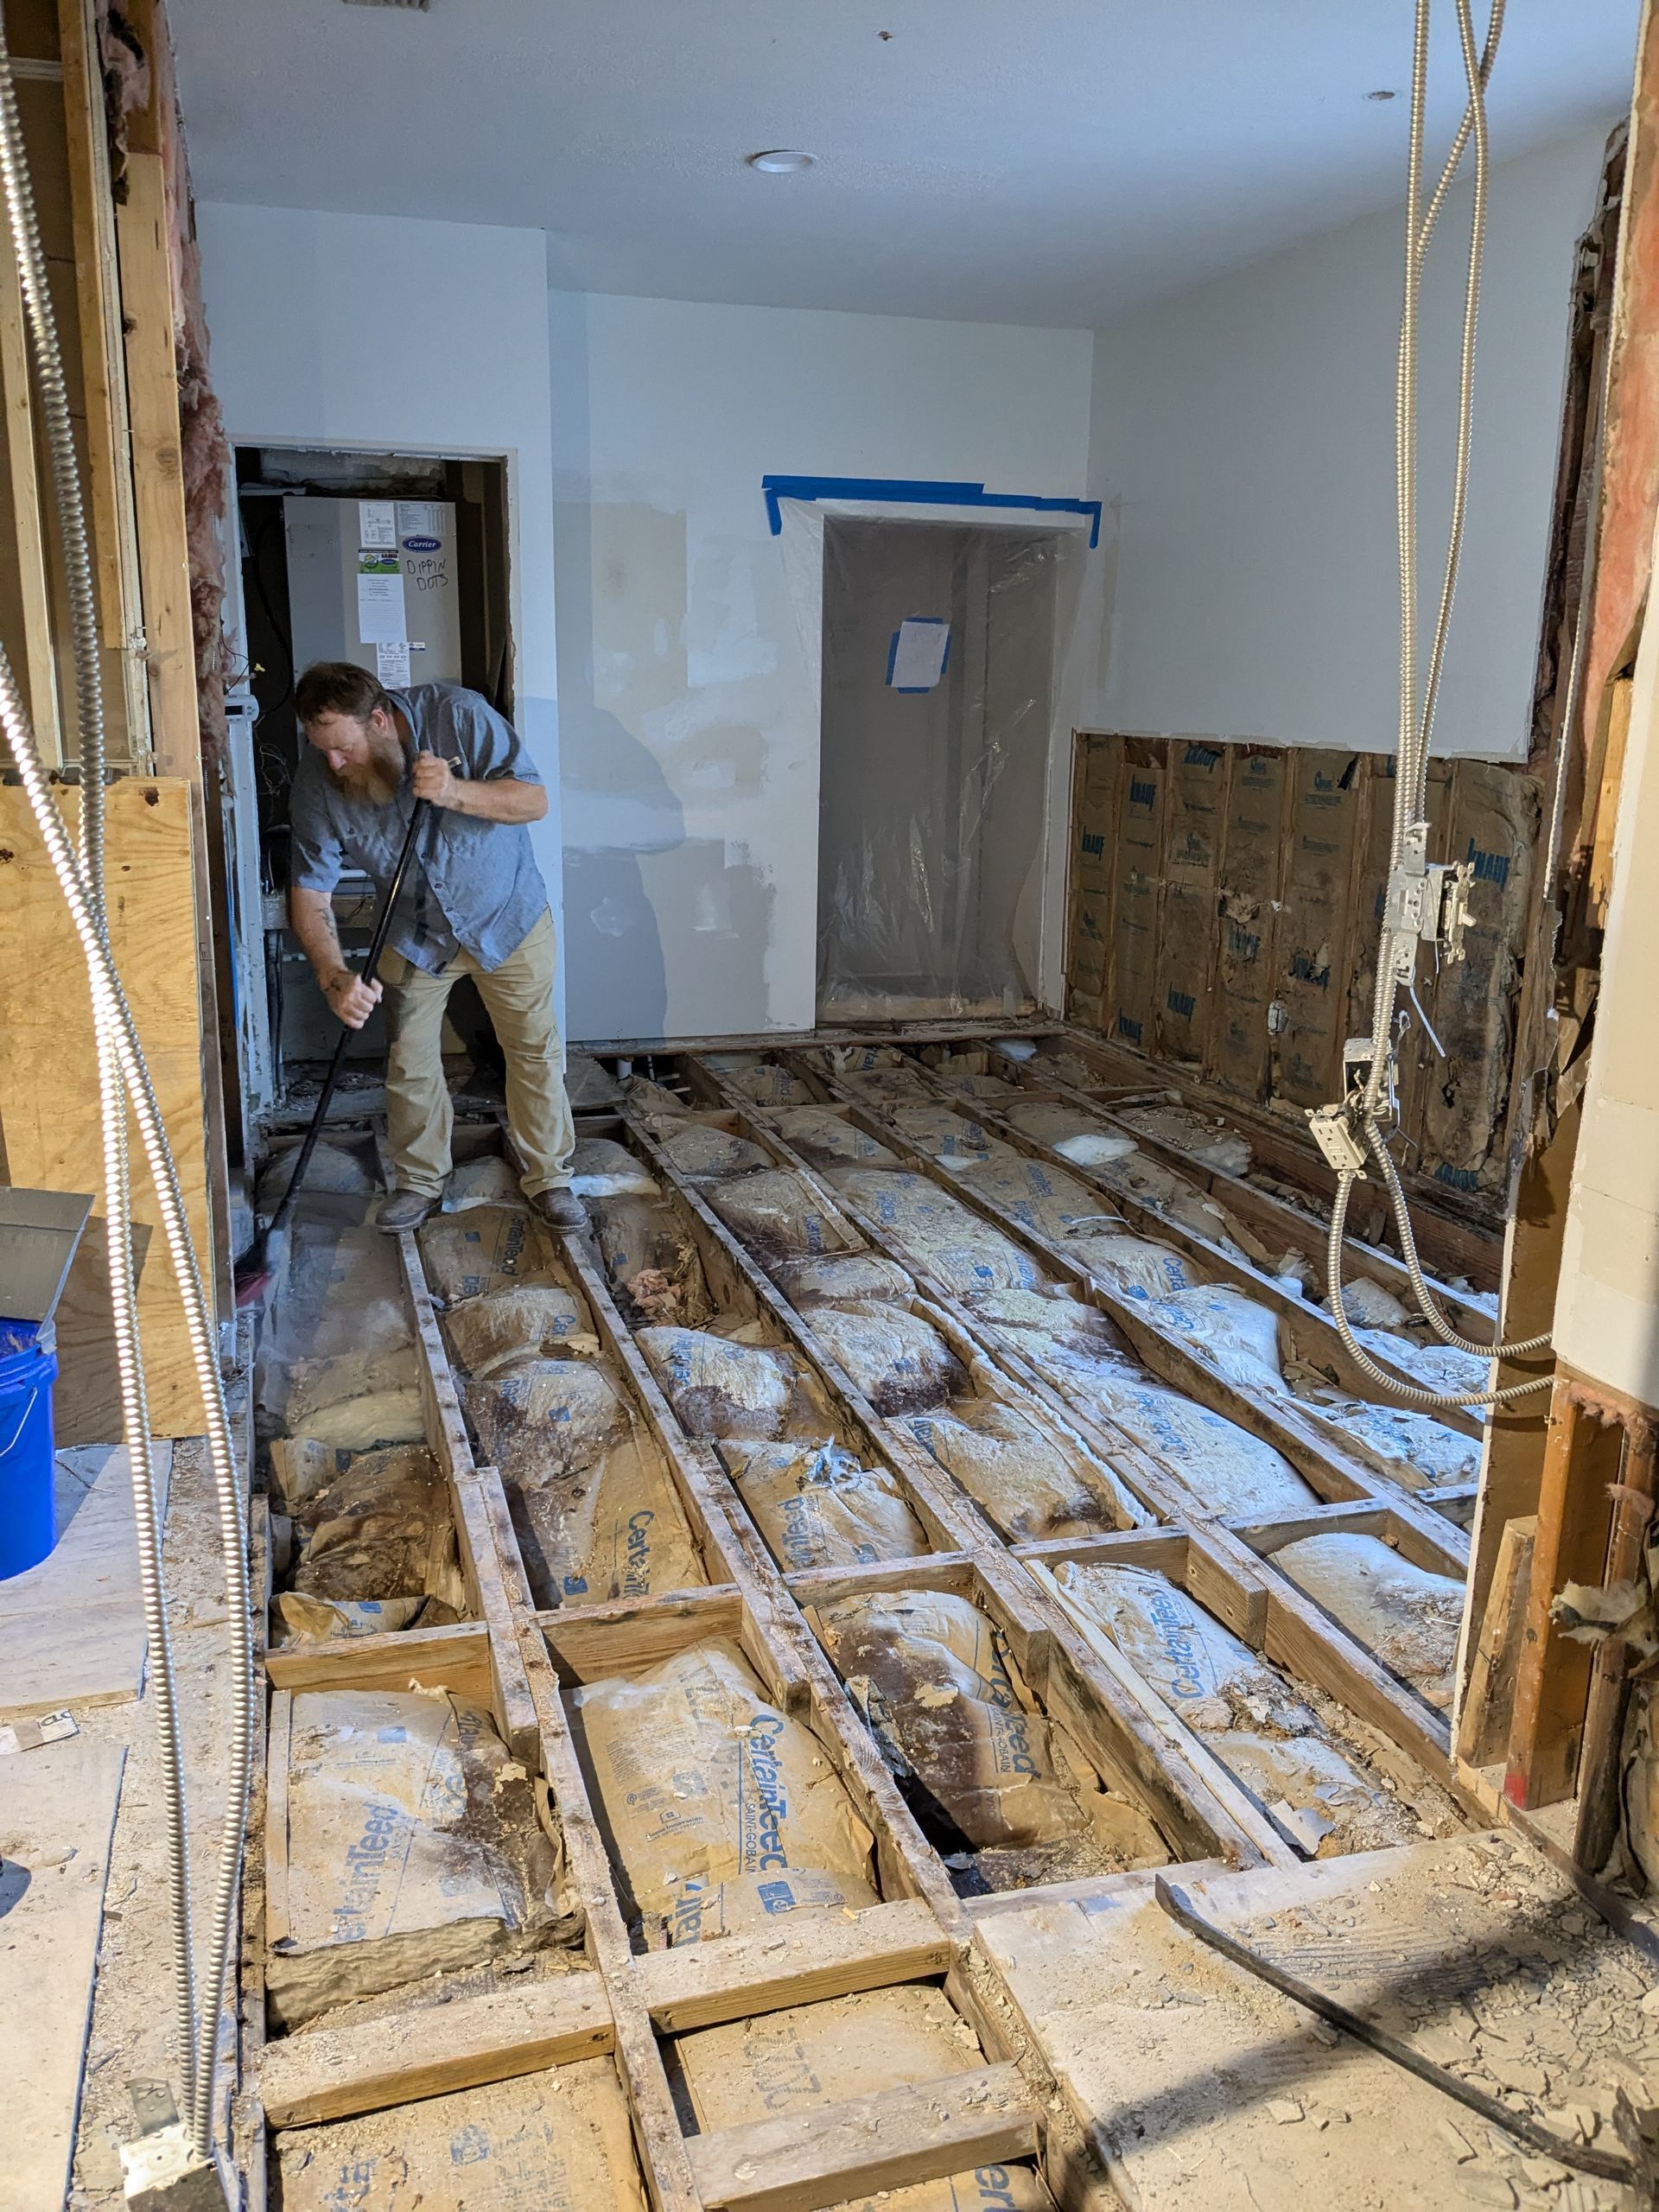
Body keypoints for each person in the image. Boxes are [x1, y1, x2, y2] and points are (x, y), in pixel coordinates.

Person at [287, 662, 585, 1232]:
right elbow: (310, 889)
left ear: (379, 720)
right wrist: (333, 974)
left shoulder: (459, 716)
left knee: (533, 1050)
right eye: (323, 750)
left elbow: (532, 801)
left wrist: (454, 791)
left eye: (344, 748)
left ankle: (550, 1178)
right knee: (408, 1059)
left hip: (506, 916)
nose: (334, 763)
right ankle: (419, 1182)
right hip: (413, 931)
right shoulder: (317, 779)